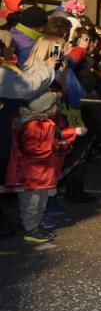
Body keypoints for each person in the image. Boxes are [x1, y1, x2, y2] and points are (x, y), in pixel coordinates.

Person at [5, 92, 82, 244]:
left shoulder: (44, 123)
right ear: (45, 109)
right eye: (54, 106)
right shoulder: (30, 126)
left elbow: (55, 138)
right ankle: (30, 230)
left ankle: (35, 226)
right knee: (31, 204)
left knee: (41, 202)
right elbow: (33, 150)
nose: (56, 108)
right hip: (30, 175)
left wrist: (66, 140)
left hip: (42, 174)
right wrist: (57, 147)